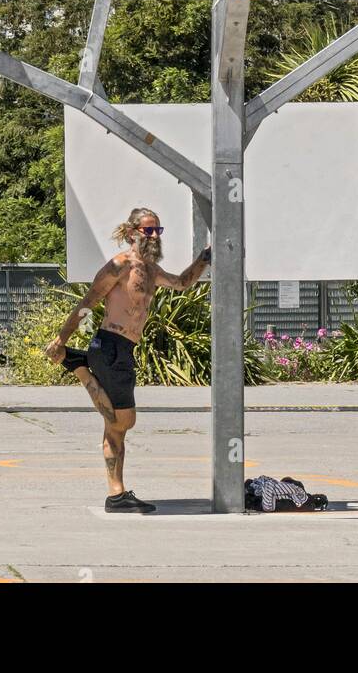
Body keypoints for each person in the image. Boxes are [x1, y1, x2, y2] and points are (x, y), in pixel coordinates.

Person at [45, 208, 210, 513]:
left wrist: (205, 257)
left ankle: (117, 494)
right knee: (121, 422)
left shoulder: (150, 271)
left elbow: (183, 283)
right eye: (148, 230)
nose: (154, 236)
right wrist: (61, 338)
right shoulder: (120, 265)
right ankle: (78, 366)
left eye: (158, 231)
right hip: (109, 345)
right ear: (133, 232)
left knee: (120, 424)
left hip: (124, 349)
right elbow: (87, 303)